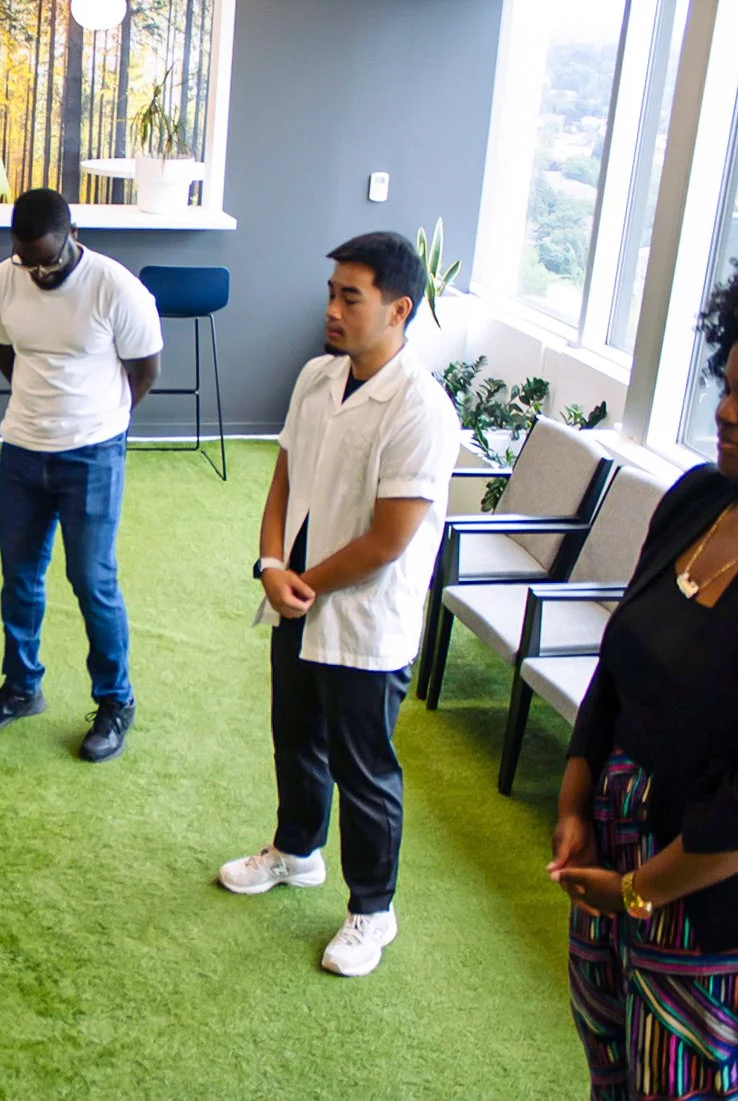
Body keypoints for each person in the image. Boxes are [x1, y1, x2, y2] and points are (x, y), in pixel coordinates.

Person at [549, 250, 738, 1098]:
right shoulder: (697, 498)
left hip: (717, 903)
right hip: (611, 854)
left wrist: (640, 888)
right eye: (728, 387)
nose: (727, 413)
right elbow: (620, 657)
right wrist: (573, 795)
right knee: (612, 1072)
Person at [215, 232, 458, 978]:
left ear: (398, 308)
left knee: (365, 767)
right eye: (331, 292)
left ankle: (373, 910)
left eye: (350, 296)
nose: (332, 308)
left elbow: (389, 538)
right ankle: (295, 851)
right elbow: (285, 476)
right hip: (298, 595)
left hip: (362, 620)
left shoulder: (422, 408)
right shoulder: (318, 377)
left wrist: (303, 580)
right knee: (295, 733)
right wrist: (269, 563)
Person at [0, 188, 162, 763]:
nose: (39, 272)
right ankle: (22, 687)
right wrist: (40, 406)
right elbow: (3, 349)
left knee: (92, 581)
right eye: (28, 261)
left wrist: (103, 420)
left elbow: (144, 368)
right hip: (23, 449)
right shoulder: (2, 281)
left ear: (72, 235)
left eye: (48, 260)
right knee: (19, 577)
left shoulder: (114, 288)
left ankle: (115, 703)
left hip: (93, 454)